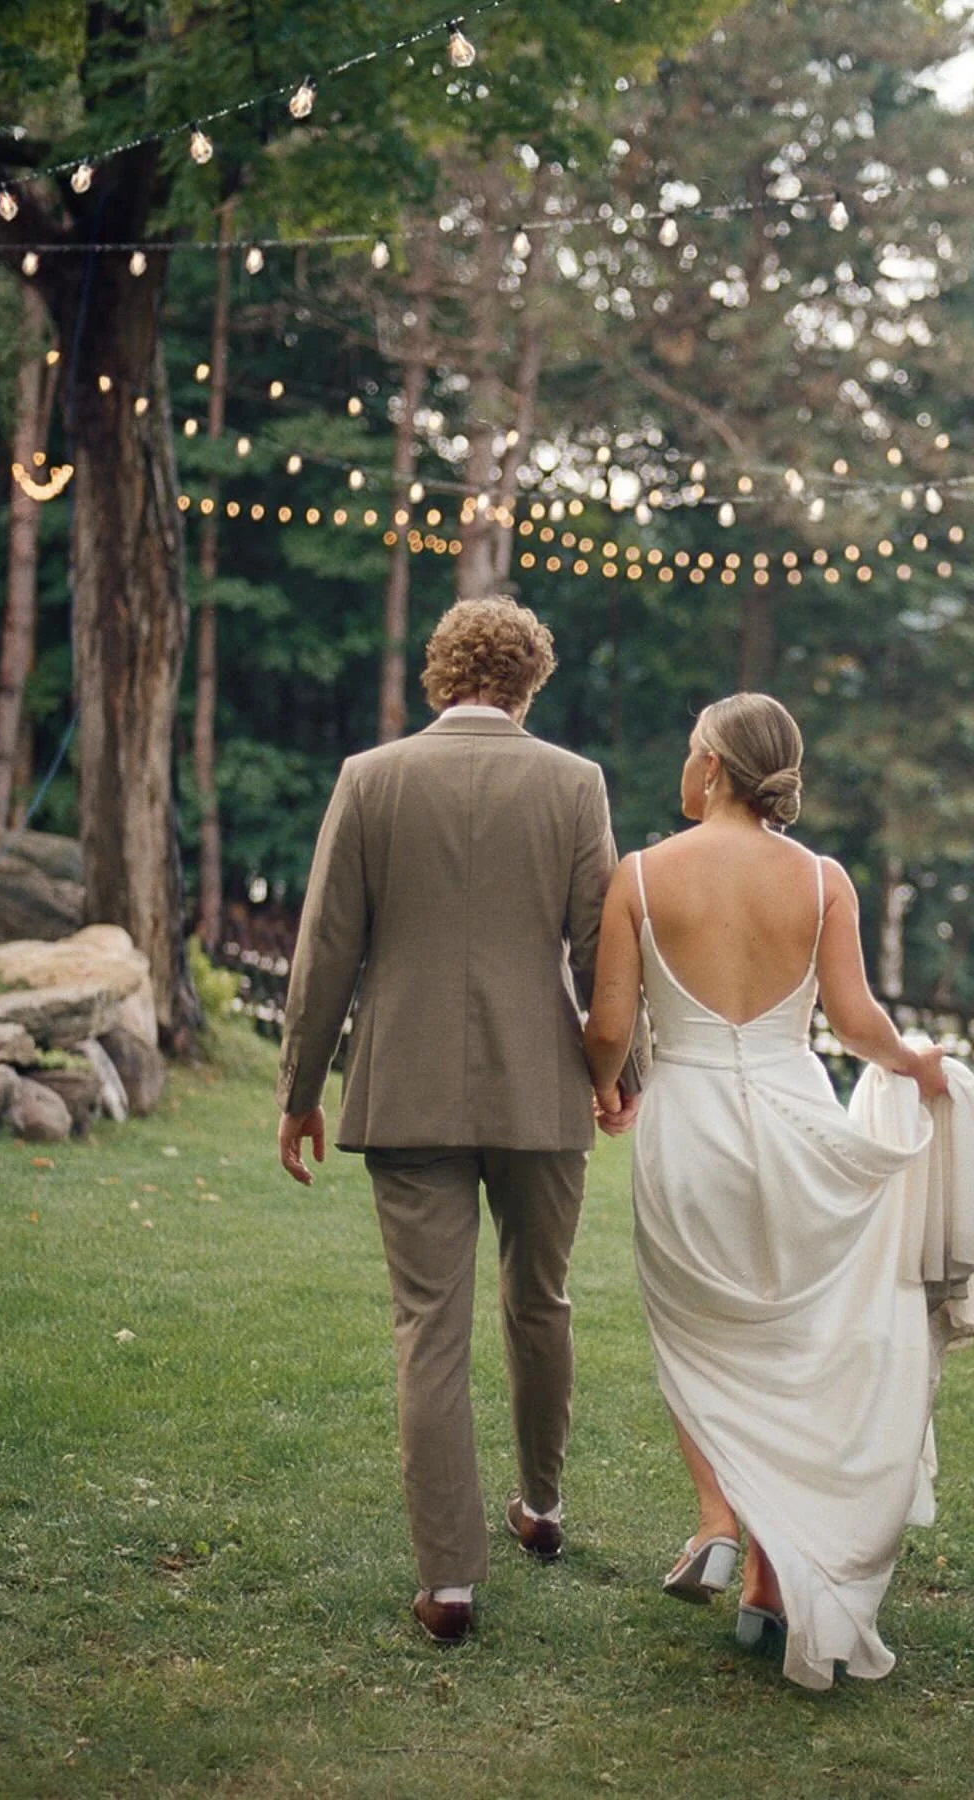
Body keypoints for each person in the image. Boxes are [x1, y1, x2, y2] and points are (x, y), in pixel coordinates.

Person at [583, 692, 974, 1690]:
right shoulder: (821, 881)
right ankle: (771, 1587)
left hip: (687, 1127)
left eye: (694, 752)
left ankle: (717, 1522)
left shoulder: (640, 877)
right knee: (787, 1344)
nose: (686, 768)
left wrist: (608, 1085)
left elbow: (609, 1028)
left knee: (698, 1338)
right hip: (795, 1120)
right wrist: (919, 1063)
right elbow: (858, 1023)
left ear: (716, 770)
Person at [276, 596, 646, 1647]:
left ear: (442, 674)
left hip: (408, 1089)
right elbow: (601, 951)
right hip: (542, 1086)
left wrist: (300, 1090)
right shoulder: (576, 784)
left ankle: (448, 1583)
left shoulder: (371, 778)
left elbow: (325, 953)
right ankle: (542, 1506)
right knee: (543, 1301)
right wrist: (625, 1075)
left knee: (428, 1331)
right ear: (530, 680)